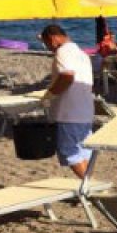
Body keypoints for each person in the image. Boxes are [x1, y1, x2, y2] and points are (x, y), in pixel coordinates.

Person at [40, 25, 94, 179]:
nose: (48, 48)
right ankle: (88, 186)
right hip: (85, 111)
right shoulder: (82, 54)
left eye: (46, 43)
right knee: (83, 154)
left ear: (53, 39)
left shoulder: (62, 52)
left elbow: (67, 76)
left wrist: (50, 95)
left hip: (68, 113)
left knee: (70, 152)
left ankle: (90, 186)